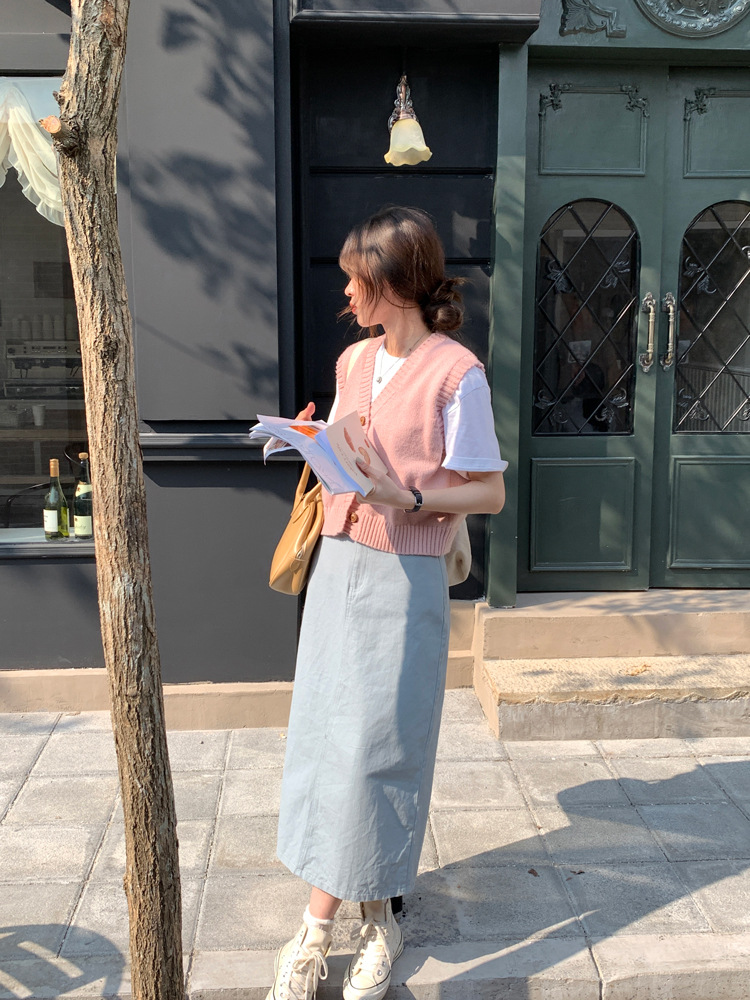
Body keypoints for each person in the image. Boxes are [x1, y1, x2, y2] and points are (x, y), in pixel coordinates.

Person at [267, 206, 508, 1000]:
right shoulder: (351, 361)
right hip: (337, 565)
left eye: (356, 278)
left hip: (404, 576)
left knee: (380, 747)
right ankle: (364, 914)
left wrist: (407, 496)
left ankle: (335, 926)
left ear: (395, 282)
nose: (345, 292)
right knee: (325, 736)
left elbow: (490, 492)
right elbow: (346, 460)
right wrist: (309, 442)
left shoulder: (455, 374)